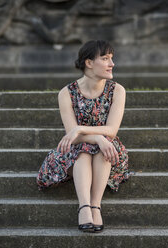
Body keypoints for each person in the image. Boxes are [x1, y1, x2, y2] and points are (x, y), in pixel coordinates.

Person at [36, 40, 133, 233]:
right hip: (75, 152)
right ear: (89, 63)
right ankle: (85, 206)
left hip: (108, 152)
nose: (112, 64)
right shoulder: (67, 93)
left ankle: (95, 205)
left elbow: (112, 130)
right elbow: (73, 137)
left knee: (102, 148)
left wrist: (81, 129)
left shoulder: (117, 91)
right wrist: (97, 137)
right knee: (85, 150)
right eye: (105, 59)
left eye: (111, 59)